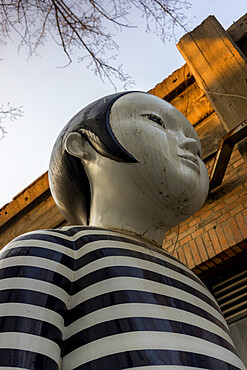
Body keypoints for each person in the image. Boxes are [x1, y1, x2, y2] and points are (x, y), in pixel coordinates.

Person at [0, 92, 245, 369]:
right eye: (155, 121)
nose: (190, 144)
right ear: (82, 144)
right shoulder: (46, 251)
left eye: (199, 150)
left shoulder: (197, 284)